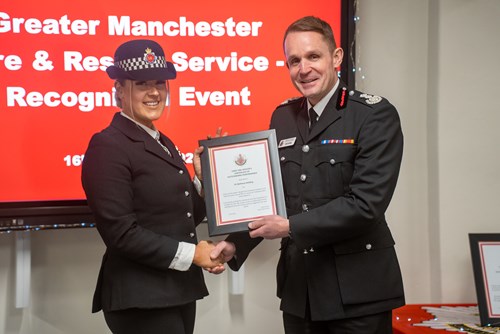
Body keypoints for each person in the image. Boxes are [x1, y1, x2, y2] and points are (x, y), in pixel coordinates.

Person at [211, 16, 405, 333]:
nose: (304, 69)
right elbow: (273, 197)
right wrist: (236, 244)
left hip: (358, 295)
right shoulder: (283, 116)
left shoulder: (373, 114)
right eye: (294, 60)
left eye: (313, 56)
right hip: (300, 291)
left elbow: (366, 204)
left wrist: (289, 227)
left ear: (337, 57)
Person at [81, 39, 224, 334]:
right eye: (142, 83)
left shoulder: (161, 141)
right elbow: (121, 234)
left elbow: (179, 218)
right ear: (119, 91)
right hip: (141, 298)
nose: (154, 92)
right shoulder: (107, 145)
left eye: (160, 83)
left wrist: (202, 182)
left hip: (176, 290)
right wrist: (193, 255)